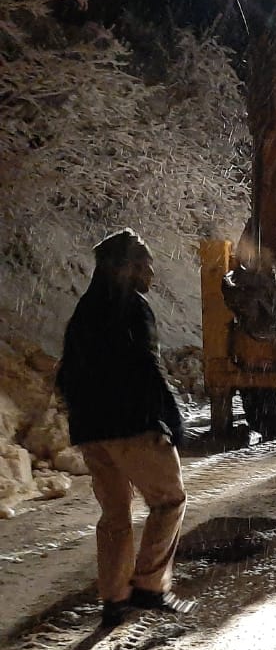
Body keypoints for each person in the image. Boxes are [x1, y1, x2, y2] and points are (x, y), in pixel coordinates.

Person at [56, 230, 191, 627]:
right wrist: (168, 415)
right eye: (145, 265)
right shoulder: (132, 308)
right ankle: (150, 585)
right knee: (170, 501)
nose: (152, 273)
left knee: (115, 514)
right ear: (126, 267)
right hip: (132, 426)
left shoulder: (85, 310)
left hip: (93, 431)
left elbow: (67, 374)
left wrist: (83, 419)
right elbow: (146, 367)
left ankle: (114, 598)